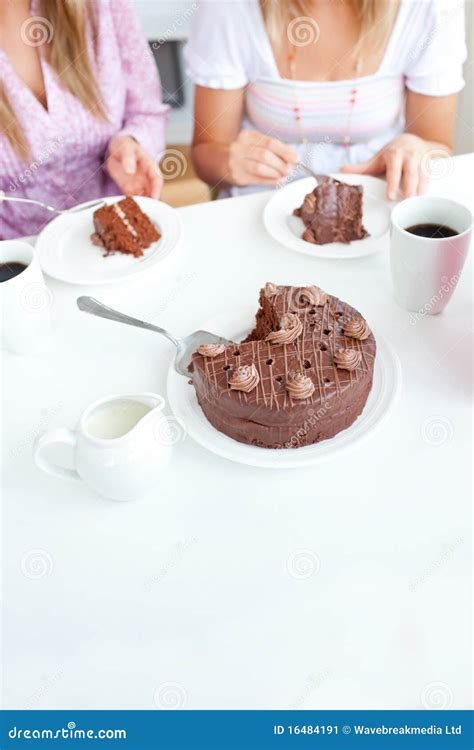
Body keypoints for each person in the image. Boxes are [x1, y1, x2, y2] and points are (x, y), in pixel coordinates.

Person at [185, 0, 466, 199]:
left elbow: (437, 147)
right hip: (257, 207)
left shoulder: (431, 7)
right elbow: (205, 155)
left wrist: (415, 150)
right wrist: (228, 164)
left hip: (381, 204)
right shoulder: (227, 7)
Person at [0, 0, 168, 238]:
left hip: (122, 229)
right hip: (16, 258)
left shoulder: (103, 6)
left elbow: (146, 112)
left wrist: (130, 143)